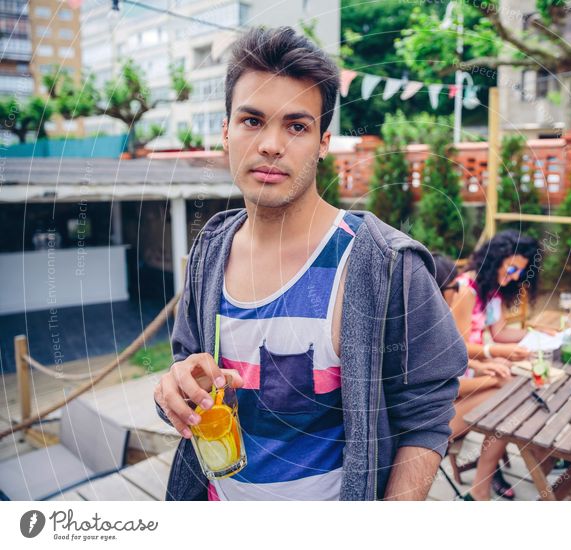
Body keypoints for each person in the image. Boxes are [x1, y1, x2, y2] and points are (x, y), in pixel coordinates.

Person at [153, 27, 466, 501]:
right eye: (252, 121)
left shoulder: (383, 263)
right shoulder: (210, 248)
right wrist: (175, 391)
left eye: (296, 126)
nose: (271, 145)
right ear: (225, 132)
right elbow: (186, 364)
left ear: (323, 141)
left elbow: (426, 412)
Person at [444, 231, 546, 499]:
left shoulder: (492, 291)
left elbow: (499, 332)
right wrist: (492, 354)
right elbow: (455, 349)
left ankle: (485, 484)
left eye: (519, 273)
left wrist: (534, 334)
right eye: (511, 268)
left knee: (514, 390)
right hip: (449, 386)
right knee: (511, 395)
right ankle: (486, 484)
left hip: (468, 376)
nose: (514, 276)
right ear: (495, 259)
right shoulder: (465, 290)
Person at [432, 254, 516, 501]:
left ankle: (483, 482)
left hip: (440, 407)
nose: (460, 293)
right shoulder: (422, 330)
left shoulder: (428, 321)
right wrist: (491, 378)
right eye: (455, 287)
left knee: (505, 391)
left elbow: (448, 360)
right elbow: (444, 386)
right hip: (426, 425)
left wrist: (482, 364)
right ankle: (481, 487)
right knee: (505, 397)